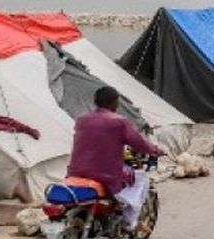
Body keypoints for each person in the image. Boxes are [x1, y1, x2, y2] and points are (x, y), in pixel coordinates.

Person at [67, 86, 164, 230]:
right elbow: (139, 143)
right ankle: (130, 221)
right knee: (140, 178)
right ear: (114, 103)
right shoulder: (119, 121)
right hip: (106, 174)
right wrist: (156, 150)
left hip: (76, 171)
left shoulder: (82, 119)